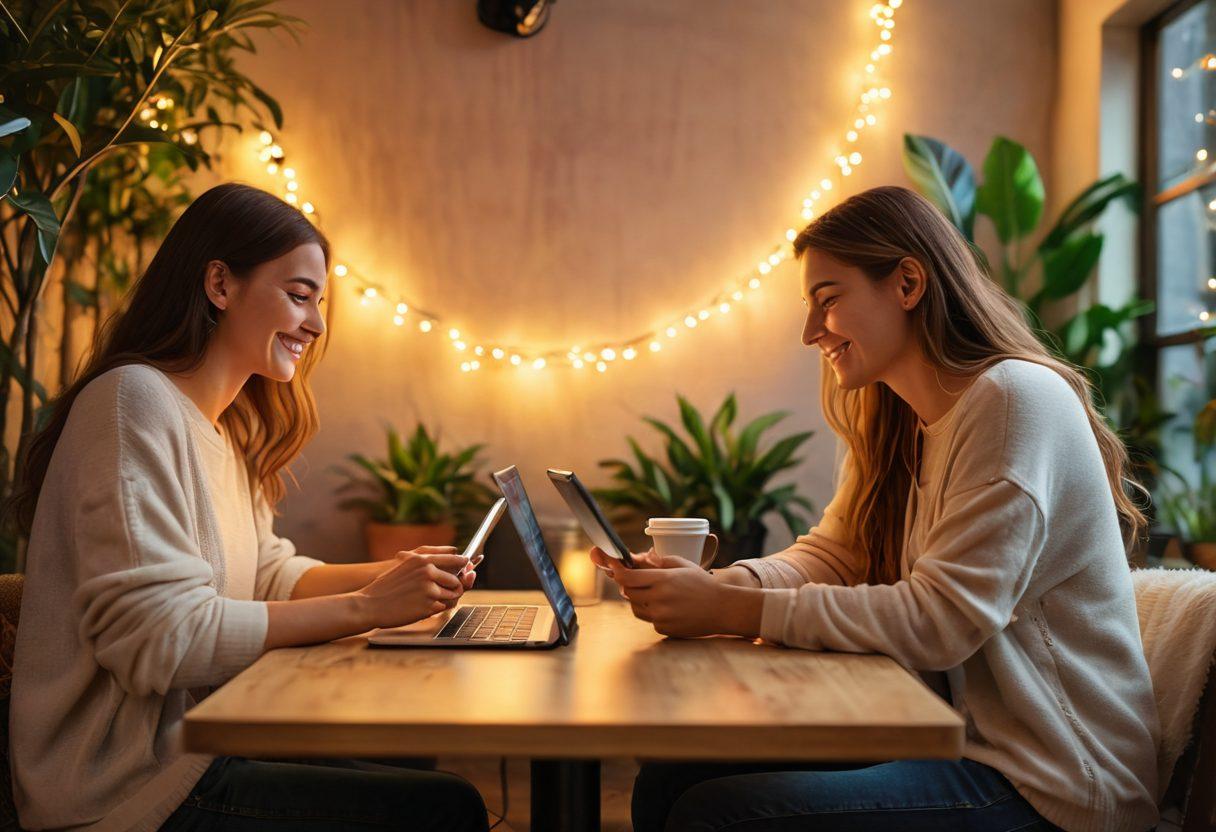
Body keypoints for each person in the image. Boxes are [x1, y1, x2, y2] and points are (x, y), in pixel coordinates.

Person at [594, 186, 1160, 832]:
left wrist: (730, 608)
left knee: (720, 815)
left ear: (909, 283)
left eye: (828, 300)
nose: (811, 333)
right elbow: (837, 553)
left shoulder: (1012, 401)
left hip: (1055, 781)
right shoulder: (899, 417)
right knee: (671, 776)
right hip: (958, 743)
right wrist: (711, 587)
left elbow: (943, 619)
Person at [8, 183, 488, 832]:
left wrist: (396, 575)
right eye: (298, 296)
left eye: (318, 303)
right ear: (220, 285)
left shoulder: (225, 428)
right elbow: (160, 641)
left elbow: (265, 575)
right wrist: (368, 608)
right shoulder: (132, 404)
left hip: (202, 752)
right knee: (444, 809)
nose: (315, 324)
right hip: (126, 792)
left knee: (424, 772)